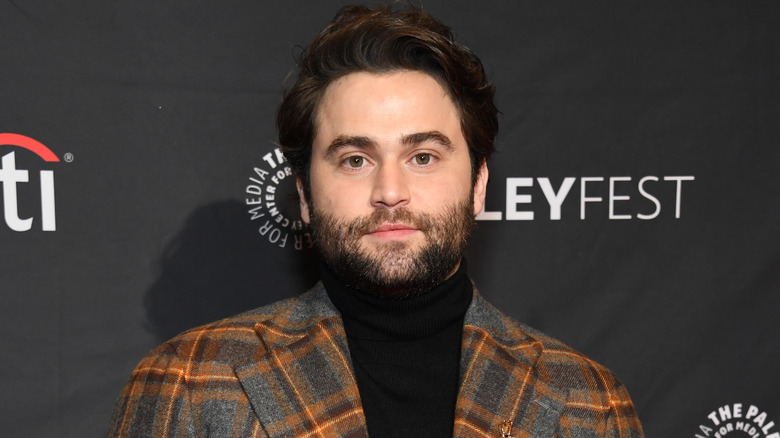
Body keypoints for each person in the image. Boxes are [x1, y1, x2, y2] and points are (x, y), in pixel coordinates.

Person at [108, 4, 644, 437]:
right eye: (355, 159)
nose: (390, 192)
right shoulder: (188, 382)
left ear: (479, 184)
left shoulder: (586, 402)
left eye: (423, 157)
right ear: (304, 192)